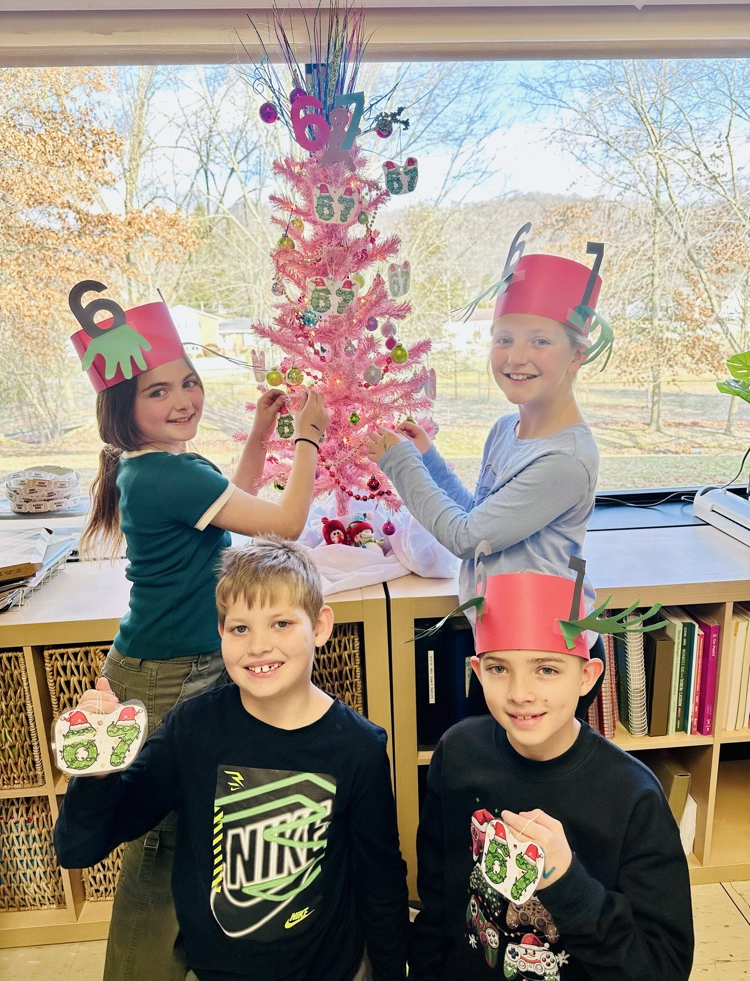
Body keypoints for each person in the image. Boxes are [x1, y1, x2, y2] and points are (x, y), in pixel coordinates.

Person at [69, 280, 329, 980]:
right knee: (160, 839)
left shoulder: (163, 468)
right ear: (124, 409)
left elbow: (232, 506)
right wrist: (308, 435)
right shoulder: (164, 476)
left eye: (188, 382)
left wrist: (260, 436)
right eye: (158, 393)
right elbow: (284, 522)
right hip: (170, 672)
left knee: (180, 825)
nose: (182, 398)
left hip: (166, 663)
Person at [55, 537, 409, 981]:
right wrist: (97, 771)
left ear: (319, 626)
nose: (259, 646)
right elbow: (77, 848)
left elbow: (380, 880)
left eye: (280, 623)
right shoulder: (192, 729)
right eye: (240, 628)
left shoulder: (359, 746)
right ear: (220, 632)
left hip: (330, 969)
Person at [366, 239, 610, 716]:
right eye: (504, 338)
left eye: (540, 340)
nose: (516, 356)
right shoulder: (506, 429)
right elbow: (480, 515)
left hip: (549, 656)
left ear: (577, 355)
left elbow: (466, 537)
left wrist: (401, 464)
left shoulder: (566, 459)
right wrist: (428, 459)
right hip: (502, 640)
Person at [410, 568, 694, 980]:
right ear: (476, 669)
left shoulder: (632, 797)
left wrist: (566, 881)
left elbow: (662, 966)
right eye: (498, 668)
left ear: (586, 676)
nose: (521, 692)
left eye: (546, 669)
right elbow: (439, 901)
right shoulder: (457, 755)